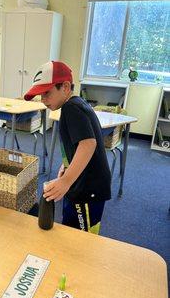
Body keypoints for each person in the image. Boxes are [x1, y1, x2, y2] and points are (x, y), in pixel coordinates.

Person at [24, 61, 111, 234]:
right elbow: (80, 142)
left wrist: (65, 181)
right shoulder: (76, 105)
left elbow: (88, 143)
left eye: (47, 93)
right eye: (41, 95)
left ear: (64, 87)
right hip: (81, 183)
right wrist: (68, 166)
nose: (43, 100)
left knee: (81, 236)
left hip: (88, 190)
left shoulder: (72, 108)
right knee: (70, 227)